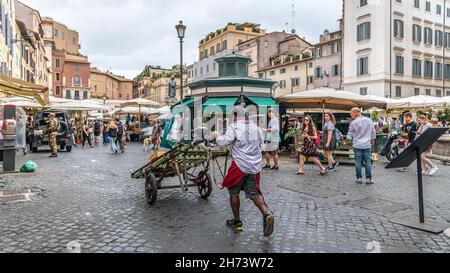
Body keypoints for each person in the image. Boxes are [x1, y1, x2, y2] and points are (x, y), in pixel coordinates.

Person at [211, 109, 275, 237]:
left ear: (235, 116)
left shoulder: (234, 127)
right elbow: (262, 146)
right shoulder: (256, 128)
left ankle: (237, 222)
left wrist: (217, 135)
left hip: (240, 165)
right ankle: (267, 214)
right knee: (254, 193)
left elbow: (223, 142)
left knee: (233, 192)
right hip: (254, 167)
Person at [347, 107, 377, 185]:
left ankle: (359, 178)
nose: (350, 114)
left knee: (358, 161)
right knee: (367, 161)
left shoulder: (353, 123)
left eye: (351, 113)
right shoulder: (369, 120)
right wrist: (373, 140)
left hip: (357, 144)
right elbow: (373, 132)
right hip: (367, 144)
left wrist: (347, 139)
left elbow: (349, 134)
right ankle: (369, 179)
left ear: (357, 113)